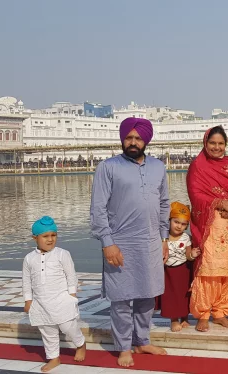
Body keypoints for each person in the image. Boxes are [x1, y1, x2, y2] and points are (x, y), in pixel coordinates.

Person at [90, 117, 169, 367]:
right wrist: (107, 242)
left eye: (138, 138)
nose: (133, 142)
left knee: (147, 295)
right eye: (129, 138)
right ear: (122, 139)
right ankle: (124, 346)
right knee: (121, 298)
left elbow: (165, 203)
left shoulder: (158, 167)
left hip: (151, 241)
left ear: (146, 140)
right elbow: (98, 208)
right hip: (120, 242)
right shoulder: (108, 167)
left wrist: (164, 238)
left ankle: (142, 340)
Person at [187, 126, 228, 332]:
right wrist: (220, 202)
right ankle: (202, 313)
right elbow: (196, 195)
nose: (217, 147)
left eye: (221, 144)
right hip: (209, 226)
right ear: (205, 143)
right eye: (213, 143)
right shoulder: (198, 166)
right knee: (208, 269)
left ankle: (220, 312)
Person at [23, 216, 86, 372]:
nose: (50, 239)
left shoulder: (62, 254)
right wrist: (28, 300)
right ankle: (54, 357)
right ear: (35, 238)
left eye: (53, 235)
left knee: (68, 327)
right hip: (41, 303)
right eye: (45, 236)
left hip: (61, 301)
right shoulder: (29, 259)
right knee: (47, 331)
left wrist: (72, 295)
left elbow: (71, 276)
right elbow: (26, 281)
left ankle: (80, 343)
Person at [156, 202, 197, 332]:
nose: (179, 226)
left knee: (184, 295)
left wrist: (193, 254)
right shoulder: (163, 238)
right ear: (169, 221)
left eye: (183, 224)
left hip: (183, 270)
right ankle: (174, 320)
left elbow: (188, 256)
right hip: (168, 272)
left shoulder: (186, 238)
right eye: (176, 222)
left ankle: (185, 317)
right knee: (171, 296)